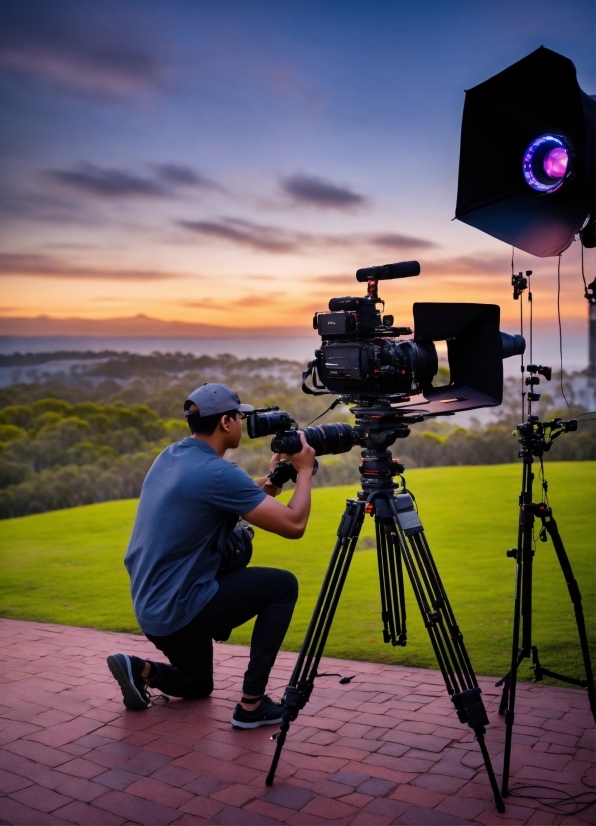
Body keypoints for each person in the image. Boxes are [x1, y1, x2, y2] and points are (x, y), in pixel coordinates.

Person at [106, 382, 315, 729]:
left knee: (199, 686)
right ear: (226, 424)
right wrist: (305, 471)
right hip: (183, 605)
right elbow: (294, 524)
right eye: (238, 415)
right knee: (282, 586)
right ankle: (251, 707)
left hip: (153, 610)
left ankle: (138, 668)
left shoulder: (171, 456)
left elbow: (231, 495)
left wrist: (276, 478)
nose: (241, 422)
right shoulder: (219, 473)